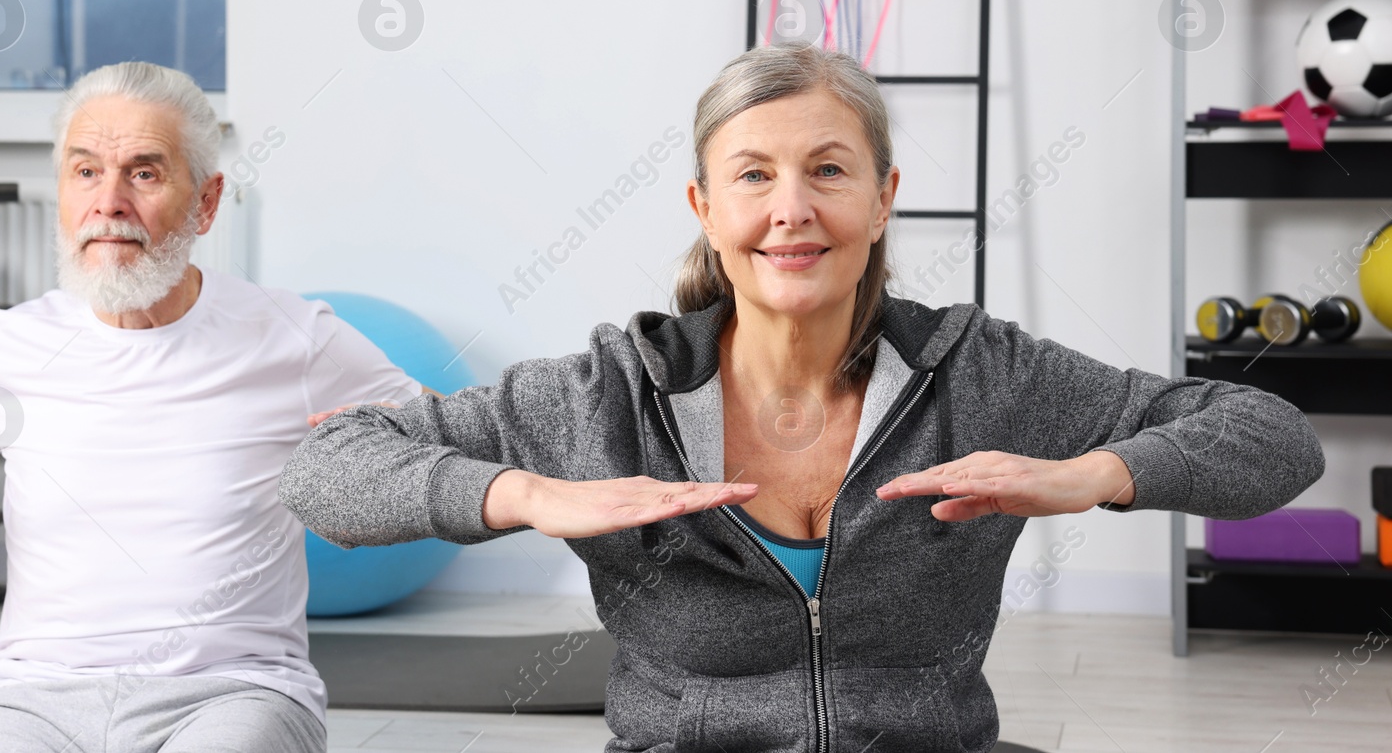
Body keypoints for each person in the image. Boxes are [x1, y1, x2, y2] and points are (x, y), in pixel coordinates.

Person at [280, 42, 1325, 753]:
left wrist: (1088, 476)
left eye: (828, 170)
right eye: (752, 176)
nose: (791, 210)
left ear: (882, 198)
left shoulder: (983, 374)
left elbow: (1272, 436)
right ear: (704, 204)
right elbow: (327, 468)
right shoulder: (608, 392)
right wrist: (527, 495)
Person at [0, 62, 426, 753]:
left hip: (233, 692)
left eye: (145, 173)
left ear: (207, 202)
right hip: (34, 699)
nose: (110, 202)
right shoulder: (13, 344)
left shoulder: (292, 337)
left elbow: (443, 429)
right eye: (86, 171)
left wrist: (542, 489)